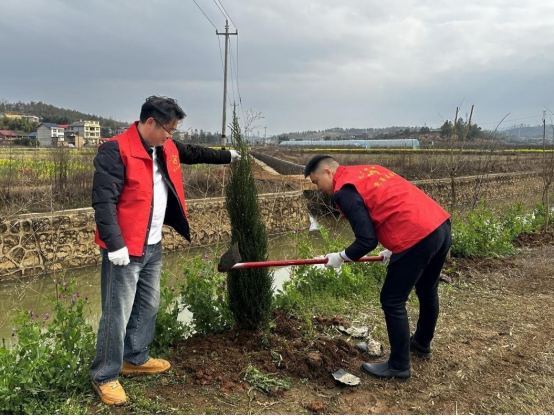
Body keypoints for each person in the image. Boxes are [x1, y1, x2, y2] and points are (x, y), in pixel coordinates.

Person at [90, 96, 240, 405]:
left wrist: (228, 156)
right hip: (125, 249)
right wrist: (115, 244)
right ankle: (104, 375)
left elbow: (195, 153)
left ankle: (134, 357)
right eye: (168, 130)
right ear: (150, 122)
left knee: (149, 304)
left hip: (152, 244)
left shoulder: (164, 146)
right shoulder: (116, 150)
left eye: (174, 131)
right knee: (116, 313)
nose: (171, 136)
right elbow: (103, 201)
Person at [305, 155, 451, 381]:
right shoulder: (369, 171)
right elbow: (394, 203)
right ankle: (422, 343)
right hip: (439, 226)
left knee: (392, 300)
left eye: (316, 182)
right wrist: (393, 247)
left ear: (327, 172)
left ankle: (399, 366)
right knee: (427, 290)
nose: (318, 188)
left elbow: (366, 241)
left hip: (417, 236)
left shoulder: (344, 192)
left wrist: (341, 257)